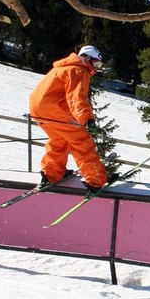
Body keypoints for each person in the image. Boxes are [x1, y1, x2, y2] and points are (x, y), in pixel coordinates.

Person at [28, 45, 108, 193]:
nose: (96, 69)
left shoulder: (63, 67)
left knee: (59, 138)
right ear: (87, 58)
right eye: (96, 64)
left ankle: (51, 174)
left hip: (37, 107)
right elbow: (76, 98)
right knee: (81, 139)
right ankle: (95, 179)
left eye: (99, 66)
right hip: (53, 108)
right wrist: (87, 119)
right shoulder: (78, 69)